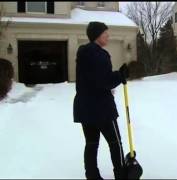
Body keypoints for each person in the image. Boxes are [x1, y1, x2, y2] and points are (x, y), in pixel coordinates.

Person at [73, 21, 129, 179]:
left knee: (91, 144)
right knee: (115, 143)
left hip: (84, 106)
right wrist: (121, 74)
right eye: (105, 33)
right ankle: (121, 175)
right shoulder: (99, 54)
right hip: (101, 108)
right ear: (98, 35)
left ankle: (92, 175)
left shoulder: (83, 53)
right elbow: (105, 81)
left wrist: (116, 75)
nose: (108, 35)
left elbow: (94, 79)